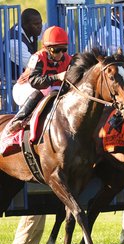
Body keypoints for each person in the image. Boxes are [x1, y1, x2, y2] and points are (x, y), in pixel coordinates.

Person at [0, 26, 72, 154]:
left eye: (63, 49)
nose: (61, 54)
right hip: (25, 88)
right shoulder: (37, 57)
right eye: (56, 50)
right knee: (46, 89)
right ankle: (17, 121)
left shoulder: (67, 59)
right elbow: (35, 81)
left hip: (49, 88)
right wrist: (57, 76)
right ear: (47, 48)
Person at [7, 8, 43, 77]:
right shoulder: (15, 43)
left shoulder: (30, 31)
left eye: (40, 23)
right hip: (12, 83)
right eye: (36, 24)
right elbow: (33, 66)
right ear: (25, 25)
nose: (39, 26)